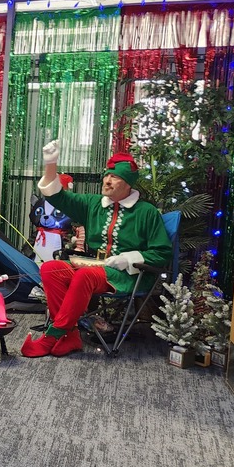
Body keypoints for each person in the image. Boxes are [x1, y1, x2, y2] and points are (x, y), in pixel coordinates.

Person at [21, 139, 173, 358]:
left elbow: (162, 253)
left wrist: (129, 258)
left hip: (130, 275)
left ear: (129, 184)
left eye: (115, 177)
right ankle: (71, 335)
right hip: (95, 267)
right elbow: (56, 196)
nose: (107, 181)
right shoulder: (93, 204)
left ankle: (51, 337)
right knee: (50, 269)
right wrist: (51, 164)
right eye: (107, 175)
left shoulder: (146, 212)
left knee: (84, 276)